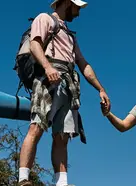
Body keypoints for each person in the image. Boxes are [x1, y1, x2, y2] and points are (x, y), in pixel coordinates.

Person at [18, 0, 111, 186]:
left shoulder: (70, 35)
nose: (78, 12)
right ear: (68, 3)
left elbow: (83, 64)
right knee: (36, 127)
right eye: (77, 7)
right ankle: (23, 179)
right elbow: (35, 44)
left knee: (62, 136)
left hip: (68, 85)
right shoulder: (44, 18)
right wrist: (47, 67)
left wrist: (100, 89)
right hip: (48, 79)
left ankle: (61, 183)